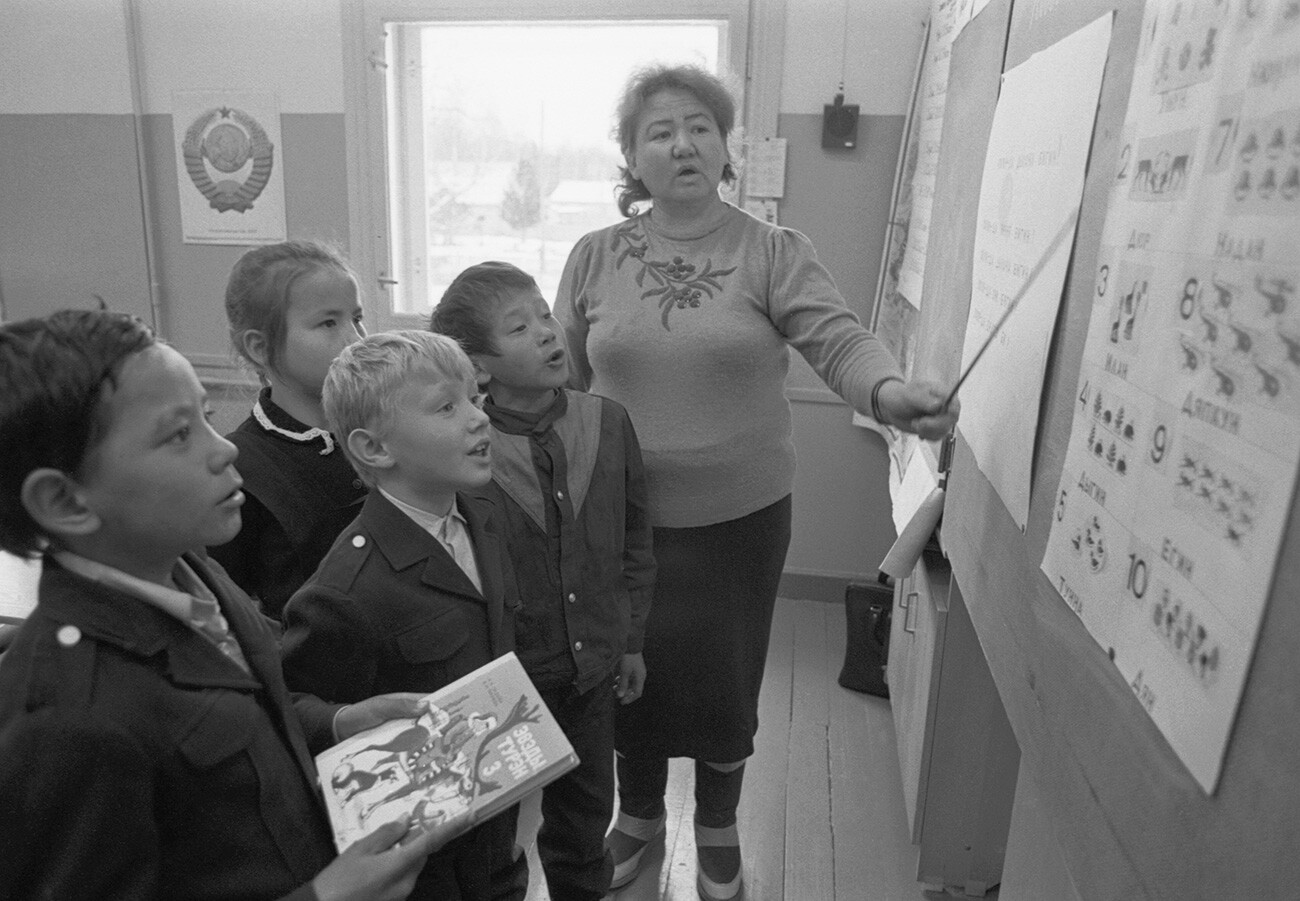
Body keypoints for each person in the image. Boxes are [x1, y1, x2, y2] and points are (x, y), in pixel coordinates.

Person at [554, 64, 961, 901]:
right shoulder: (594, 256)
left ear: (725, 143)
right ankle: (637, 817)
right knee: (631, 672)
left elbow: (841, 341)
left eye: (700, 125)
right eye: (660, 131)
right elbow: (556, 373)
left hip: (740, 520)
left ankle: (716, 824)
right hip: (621, 521)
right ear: (633, 155)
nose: (683, 143)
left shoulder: (772, 251)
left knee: (724, 680)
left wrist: (890, 394)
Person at [0, 309, 458, 901]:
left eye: (208, 419)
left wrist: (340, 722)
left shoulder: (192, 573)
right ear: (65, 501)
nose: (225, 452)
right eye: (178, 435)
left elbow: (253, 701)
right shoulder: (68, 723)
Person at [431, 261, 656, 901]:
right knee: (494, 836)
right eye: (518, 327)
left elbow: (636, 540)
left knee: (583, 827)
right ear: (478, 364)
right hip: (503, 679)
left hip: (591, 672)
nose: (547, 333)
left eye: (545, 315)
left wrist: (631, 638)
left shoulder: (608, 423)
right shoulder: (464, 445)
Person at [280, 330, 529, 901]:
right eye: (448, 407)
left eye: (475, 398)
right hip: (420, 864)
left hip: (495, 825)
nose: (478, 419)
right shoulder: (347, 589)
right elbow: (292, 708)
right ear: (375, 449)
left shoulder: (485, 516)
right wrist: (343, 718)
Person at [209, 240, 369, 621]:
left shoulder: (385, 431)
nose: (356, 340)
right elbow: (232, 614)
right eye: (328, 323)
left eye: (357, 318)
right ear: (260, 347)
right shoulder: (238, 469)